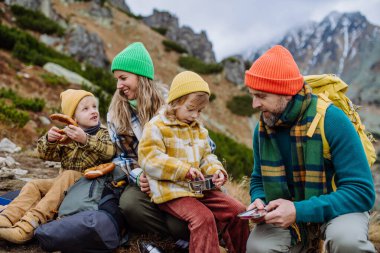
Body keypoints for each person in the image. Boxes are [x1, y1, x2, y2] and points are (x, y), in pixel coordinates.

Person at [244, 45, 376, 252]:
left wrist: (299, 210)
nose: (254, 104)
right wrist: (259, 200)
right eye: (252, 94)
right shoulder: (263, 129)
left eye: (261, 96)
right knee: (257, 247)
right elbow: (258, 178)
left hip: (338, 208)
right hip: (288, 212)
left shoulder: (332, 120)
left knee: (347, 241)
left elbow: (362, 192)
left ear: (286, 93)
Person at [138, 71, 249, 253]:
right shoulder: (157, 126)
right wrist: (183, 170)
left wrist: (216, 170)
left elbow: (207, 156)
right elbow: (149, 158)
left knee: (237, 211)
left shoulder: (199, 129)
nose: (196, 115)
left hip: (199, 188)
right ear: (175, 102)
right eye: (191, 109)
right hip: (171, 191)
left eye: (200, 111)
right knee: (203, 218)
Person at [0, 89, 116, 244]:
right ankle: (7, 218)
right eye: (86, 109)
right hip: (64, 186)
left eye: (94, 106)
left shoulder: (103, 133)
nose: (93, 111)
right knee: (34, 185)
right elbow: (44, 155)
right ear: (73, 118)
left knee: (68, 174)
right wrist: (50, 140)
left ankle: (27, 227)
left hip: (89, 187)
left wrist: (85, 140)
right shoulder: (66, 137)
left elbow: (110, 151)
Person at [107, 42, 189, 240]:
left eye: (123, 78)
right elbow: (122, 157)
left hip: (177, 178)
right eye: (117, 79)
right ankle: (178, 238)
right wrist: (138, 177)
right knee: (130, 205)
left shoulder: (172, 104)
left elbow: (193, 143)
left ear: (141, 77)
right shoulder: (116, 113)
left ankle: (180, 233)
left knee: (179, 224)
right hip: (145, 183)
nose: (119, 85)